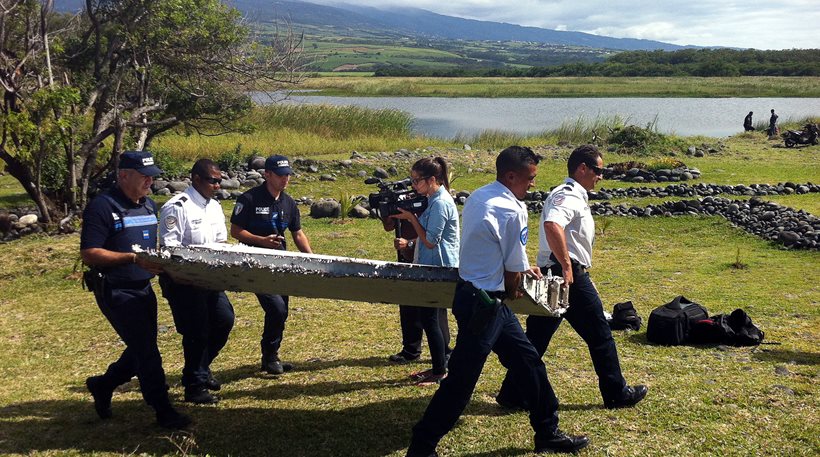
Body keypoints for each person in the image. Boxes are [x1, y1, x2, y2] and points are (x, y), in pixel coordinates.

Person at [406, 146, 589, 457]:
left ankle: (547, 430)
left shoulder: (479, 196)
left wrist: (517, 268)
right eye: (530, 178)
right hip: (486, 304)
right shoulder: (512, 209)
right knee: (461, 381)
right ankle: (422, 445)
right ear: (511, 175)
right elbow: (512, 276)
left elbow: (492, 248)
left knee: (529, 362)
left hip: (472, 295)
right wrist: (517, 280)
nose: (533, 184)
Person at [496, 144, 648, 412]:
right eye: (598, 170)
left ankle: (512, 393)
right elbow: (552, 225)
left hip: (560, 272)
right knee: (600, 334)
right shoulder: (567, 195)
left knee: (536, 338)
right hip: (567, 274)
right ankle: (616, 392)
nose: (601, 176)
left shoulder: (576, 195)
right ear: (582, 168)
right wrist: (567, 266)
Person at [80, 151, 190, 429]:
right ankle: (162, 409)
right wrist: (130, 259)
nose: (149, 181)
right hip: (116, 289)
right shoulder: (102, 207)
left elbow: (148, 248)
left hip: (143, 287)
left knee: (140, 348)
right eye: (144, 176)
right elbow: (90, 253)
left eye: (152, 176)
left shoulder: (148, 205)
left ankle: (103, 384)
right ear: (124, 175)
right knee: (148, 351)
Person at [159, 159, 235, 404]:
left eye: (219, 181)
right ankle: (194, 386)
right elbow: (171, 249)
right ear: (196, 179)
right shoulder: (177, 207)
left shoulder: (214, 207)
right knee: (197, 331)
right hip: (184, 281)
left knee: (224, 320)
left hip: (210, 279)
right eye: (213, 180)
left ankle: (200, 368)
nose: (217, 185)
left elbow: (220, 243)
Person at [230, 155, 312, 375]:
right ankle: (270, 356)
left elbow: (298, 233)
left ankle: (271, 356)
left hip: (281, 264)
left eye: (288, 175)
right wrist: (261, 241)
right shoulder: (249, 199)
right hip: (255, 264)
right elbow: (236, 231)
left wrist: (313, 258)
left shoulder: (289, 202)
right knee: (275, 308)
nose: (285, 179)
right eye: (280, 175)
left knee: (282, 310)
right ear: (267, 174)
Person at [391, 157, 459, 385]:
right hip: (430, 265)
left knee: (430, 319)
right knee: (429, 318)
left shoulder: (441, 203)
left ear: (432, 180)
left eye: (417, 181)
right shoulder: (433, 199)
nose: (414, 186)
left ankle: (440, 370)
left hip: (438, 266)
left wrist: (411, 218)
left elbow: (431, 241)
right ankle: (439, 366)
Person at [381, 195, 452, 366]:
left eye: (417, 181)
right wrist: (388, 210)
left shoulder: (433, 203)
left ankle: (444, 351)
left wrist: (410, 244)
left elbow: (434, 237)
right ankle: (411, 350)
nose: (415, 186)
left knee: (434, 309)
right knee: (407, 303)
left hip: (427, 259)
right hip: (408, 258)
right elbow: (389, 226)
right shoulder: (405, 200)